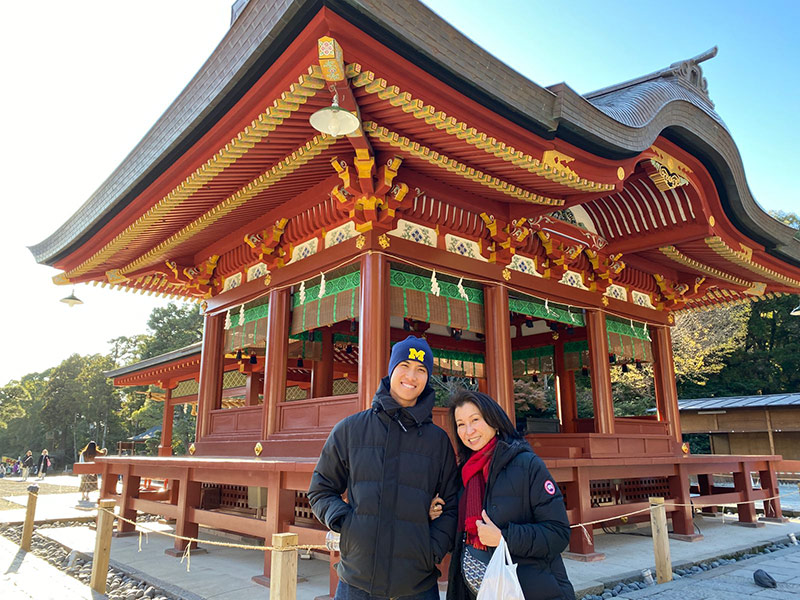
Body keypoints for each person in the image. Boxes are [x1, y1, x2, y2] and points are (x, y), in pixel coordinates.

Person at [308, 335, 459, 600]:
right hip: (357, 580)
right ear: (391, 370)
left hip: (417, 583)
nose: (411, 376)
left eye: (421, 370)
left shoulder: (438, 442)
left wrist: (432, 549)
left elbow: (452, 503)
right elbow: (321, 490)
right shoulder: (351, 430)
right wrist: (347, 524)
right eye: (405, 365)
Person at [440, 390, 575, 600]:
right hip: (475, 590)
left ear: (494, 422)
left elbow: (558, 533)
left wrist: (504, 537)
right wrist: (437, 512)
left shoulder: (527, 465)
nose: (468, 430)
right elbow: (458, 540)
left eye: (475, 419)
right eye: (460, 424)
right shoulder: (463, 475)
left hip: (529, 589)